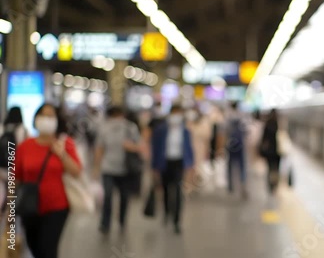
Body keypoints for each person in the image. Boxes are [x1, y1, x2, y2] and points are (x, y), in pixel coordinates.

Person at [15, 103, 82, 258]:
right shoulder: (25, 146)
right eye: (43, 115)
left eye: (50, 116)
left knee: (48, 250)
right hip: (29, 207)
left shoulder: (65, 143)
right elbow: (16, 178)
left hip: (57, 207)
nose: (46, 119)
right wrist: (10, 210)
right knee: (34, 248)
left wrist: (62, 154)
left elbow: (76, 172)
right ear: (36, 119)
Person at [93, 106, 141, 234]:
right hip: (108, 168)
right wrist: (97, 167)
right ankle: (105, 223)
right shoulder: (104, 128)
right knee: (107, 196)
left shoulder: (131, 128)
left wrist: (131, 147)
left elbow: (140, 146)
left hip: (126, 170)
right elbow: (99, 148)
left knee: (125, 197)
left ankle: (122, 220)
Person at [151, 104, 194, 234]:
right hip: (165, 163)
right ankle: (166, 212)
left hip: (178, 163)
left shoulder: (185, 131)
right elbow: (155, 149)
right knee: (165, 190)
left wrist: (191, 165)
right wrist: (154, 167)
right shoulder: (161, 130)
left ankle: (177, 221)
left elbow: (188, 148)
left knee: (178, 192)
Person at [1, 107, 28, 210]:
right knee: (14, 197)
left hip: (2, 170)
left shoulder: (2, 128)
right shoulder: (23, 130)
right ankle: (11, 219)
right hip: (15, 170)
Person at [225, 102, 248, 199]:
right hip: (240, 146)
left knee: (230, 166)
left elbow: (225, 131)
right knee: (242, 166)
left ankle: (230, 185)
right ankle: (242, 185)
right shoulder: (242, 116)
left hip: (230, 145)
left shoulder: (228, 116)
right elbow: (246, 131)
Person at [260, 109, 282, 195]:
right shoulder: (279, 124)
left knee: (270, 169)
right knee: (276, 169)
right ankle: (275, 184)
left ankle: (270, 185)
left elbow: (264, 139)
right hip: (278, 151)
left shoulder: (267, 124)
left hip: (269, 152)